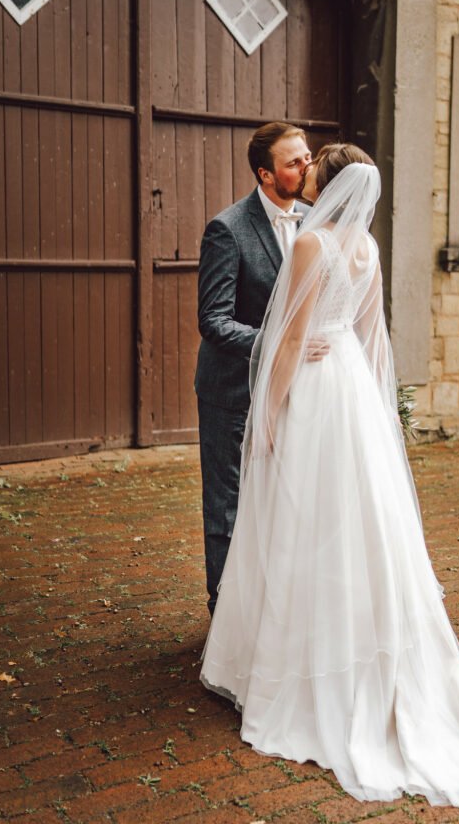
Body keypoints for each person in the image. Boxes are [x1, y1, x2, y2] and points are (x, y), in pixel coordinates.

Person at [200, 143, 459, 806]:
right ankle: (361, 650)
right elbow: (368, 331)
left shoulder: (311, 245)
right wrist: (379, 413)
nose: (306, 168)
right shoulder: (367, 248)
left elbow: (292, 339)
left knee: (302, 516)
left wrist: (268, 412)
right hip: (353, 390)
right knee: (352, 521)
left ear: (325, 182)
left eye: (314, 163)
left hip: (317, 389)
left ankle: (301, 668)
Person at [195, 121, 319, 617]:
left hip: (296, 391)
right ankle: (224, 617)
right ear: (266, 176)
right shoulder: (228, 229)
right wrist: (280, 344)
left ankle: (271, 619)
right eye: (294, 162)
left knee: (282, 501)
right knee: (229, 505)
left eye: (307, 156)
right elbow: (214, 321)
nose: (307, 166)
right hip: (233, 390)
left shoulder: (317, 220)